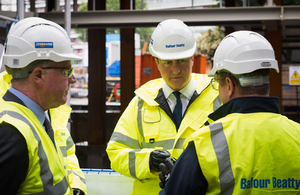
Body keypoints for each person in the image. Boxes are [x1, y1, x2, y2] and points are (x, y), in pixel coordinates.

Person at [159, 30, 300, 194]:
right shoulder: (297, 134)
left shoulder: (205, 143)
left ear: (229, 85)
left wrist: (172, 182)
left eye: (218, 83)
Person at [106, 19, 221, 195]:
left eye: (182, 61)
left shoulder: (217, 97)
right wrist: (148, 161)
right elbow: (116, 153)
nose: (176, 70)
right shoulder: (141, 102)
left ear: (192, 59)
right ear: (157, 62)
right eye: (168, 62)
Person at [0, 17, 86, 195]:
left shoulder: (34, 119)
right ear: (38, 75)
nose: (73, 79)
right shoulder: (12, 133)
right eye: (66, 71)